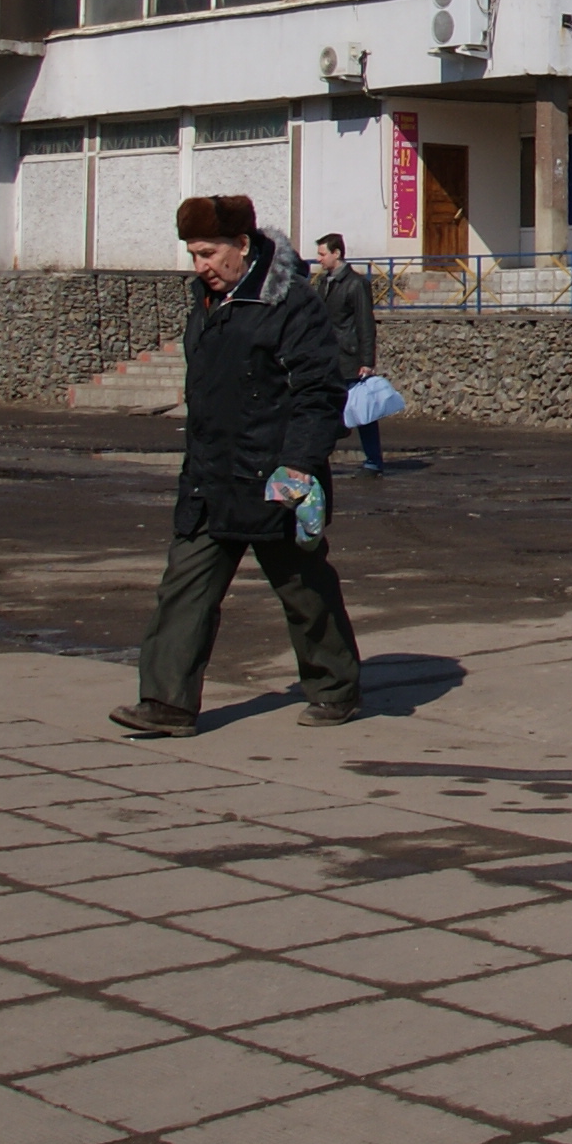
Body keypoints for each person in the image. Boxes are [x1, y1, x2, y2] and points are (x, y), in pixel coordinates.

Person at [114, 194, 362, 737]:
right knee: (184, 588)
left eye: (208, 253)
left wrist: (298, 465)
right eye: (192, 254)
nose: (201, 265)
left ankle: (335, 687)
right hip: (210, 478)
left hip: (276, 479)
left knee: (304, 590)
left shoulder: (291, 305)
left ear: (243, 247)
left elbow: (321, 392)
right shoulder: (205, 306)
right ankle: (166, 703)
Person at [311, 232, 385, 476]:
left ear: (337, 254)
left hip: (349, 357)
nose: (319, 259)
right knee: (324, 408)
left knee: (362, 412)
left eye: (322, 254)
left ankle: (373, 460)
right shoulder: (324, 282)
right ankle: (317, 457)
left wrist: (367, 361)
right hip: (326, 356)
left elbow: (365, 323)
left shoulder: (356, 284)